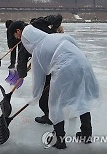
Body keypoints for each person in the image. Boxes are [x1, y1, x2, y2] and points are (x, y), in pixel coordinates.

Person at [9, 21, 99, 149]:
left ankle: (60, 139)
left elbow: (38, 80)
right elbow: (73, 43)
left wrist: (34, 97)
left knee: (55, 104)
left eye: (16, 36)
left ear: (20, 33)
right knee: (81, 98)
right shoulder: (55, 36)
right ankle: (86, 133)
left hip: (65, 69)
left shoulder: (38, 51)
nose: (17, 39)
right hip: (83, 64)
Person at [14, 14, 64, 125]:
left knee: (45, 98)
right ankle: (83, 127)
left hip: (52, 67)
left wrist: (21, 74)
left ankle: (51, 118)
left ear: (18, 31)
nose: (16, 38)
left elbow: (22, 59)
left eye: (15, 35)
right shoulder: (49, 34)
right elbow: (57, 17)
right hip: (63, 63)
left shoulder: (28, 38)